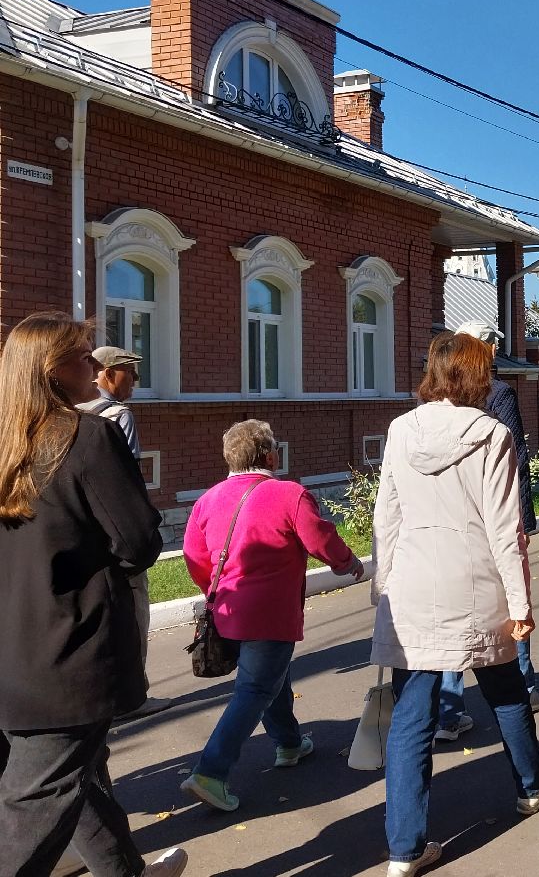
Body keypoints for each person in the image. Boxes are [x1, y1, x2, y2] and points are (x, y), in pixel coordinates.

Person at [0, 312, 187, 877]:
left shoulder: (9, 439)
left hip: (13, 647)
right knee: (36, 804)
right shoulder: (86, 435)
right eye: (84, 357)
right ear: (53, 369)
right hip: (66, 654)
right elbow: (136, 541)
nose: (96, 367)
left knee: (78, 774)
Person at [371, 331, 539, 877]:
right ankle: (531, 784)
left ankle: (403, 851)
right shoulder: (491, 434)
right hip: (476, 581)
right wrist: (521, 604)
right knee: (505, 688)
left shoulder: (400, 430)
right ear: (477, 377)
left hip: (411, 581)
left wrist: (380, 589)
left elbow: (387, 520)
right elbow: (505, 531)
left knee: (411, 718)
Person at [180, 419, 364, 812]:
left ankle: (289, 743)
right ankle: (211, 772)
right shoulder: (288, 494)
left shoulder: (207, 499)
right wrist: (348, 563)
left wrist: (212, 588)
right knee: (255, 689)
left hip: (225, 610)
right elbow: (320, 539)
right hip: (270, 614)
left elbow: (195, 556)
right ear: (270, 455)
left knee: (270, 678)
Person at [435, 322, 539, 746]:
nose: (495, 350)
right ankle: (522, 685)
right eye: (492, 344)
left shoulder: (431, 408)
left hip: (449, 523)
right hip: (493, 517)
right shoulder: (497, 393)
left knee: (451, 619)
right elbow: (515, 455)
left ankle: (450, 711)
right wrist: (525, 515)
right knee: (509, 602)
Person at [78, 345, 171, 720]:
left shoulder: (68, 411)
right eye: (129, 373)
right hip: (118, 537)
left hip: (81, 537)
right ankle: (135, 696)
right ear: (107, 373)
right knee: (134, 611)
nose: (134, 382)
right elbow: (128, 483)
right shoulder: (118, 416)